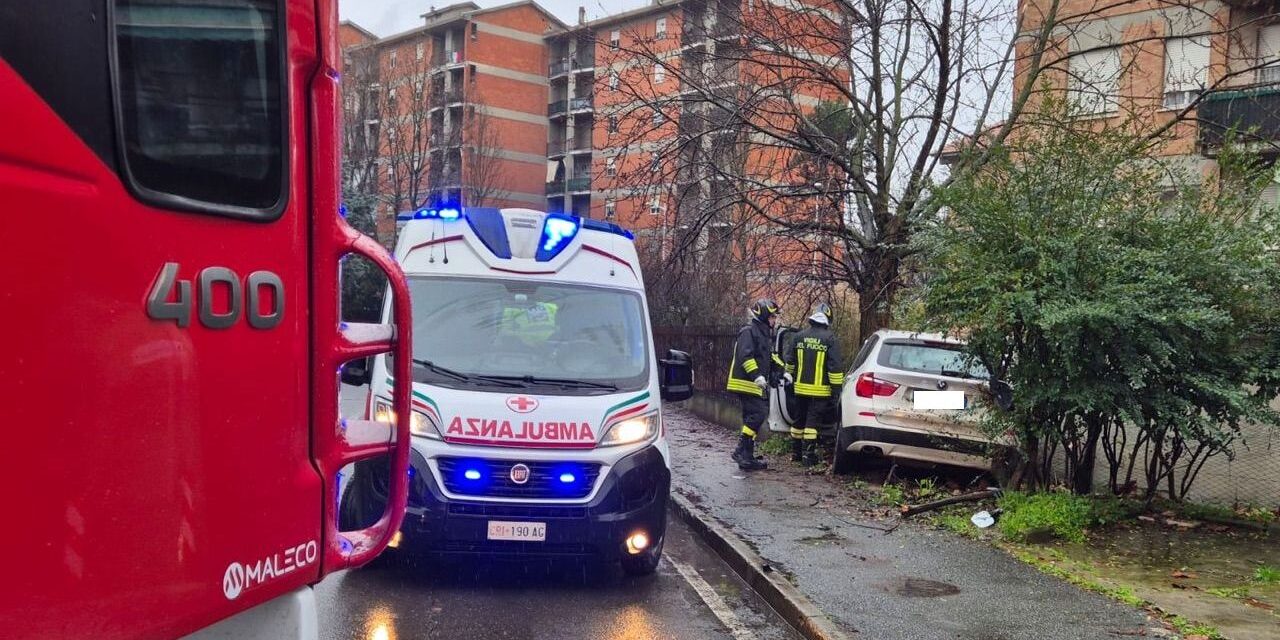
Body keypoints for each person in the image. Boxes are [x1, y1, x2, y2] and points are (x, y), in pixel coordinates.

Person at [726, 299, 789, 471]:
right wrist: (757, 376)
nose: (774, 320)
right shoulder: (748, 332)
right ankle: (741, 451)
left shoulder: (763, 333)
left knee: (751, 417)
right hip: (745, 382)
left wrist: (784, 371)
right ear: (763, 315)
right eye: (772, 317)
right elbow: (745, 357)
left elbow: (770, 356)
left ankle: (746, 456)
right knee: (758, 414)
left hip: (753, 383)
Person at [785, 303, 845, 466]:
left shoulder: (799, 337)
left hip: (799, 389)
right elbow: (835, 368)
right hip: (820, 392)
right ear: (827, 319)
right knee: (812, 423)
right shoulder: (830, 339)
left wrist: (788, 377)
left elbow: (790, 361)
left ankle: (796, 453)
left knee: (798, 421)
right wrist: (836, 390)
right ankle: (808, 456)